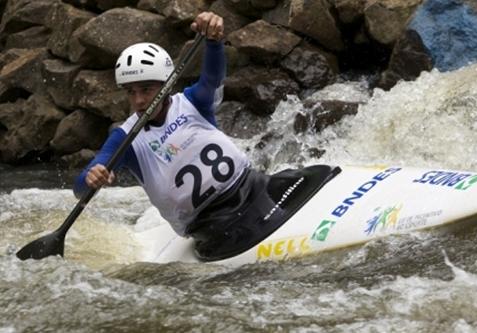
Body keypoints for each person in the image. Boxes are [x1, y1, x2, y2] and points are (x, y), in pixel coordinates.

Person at [74, 12, 339, 261]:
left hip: (255, 186)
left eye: (146, 89)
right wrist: (91, 177)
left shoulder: (193, 102)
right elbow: (81, 185)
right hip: (212, 223)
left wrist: (214, 41)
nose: (139, 100)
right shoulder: (125, 139)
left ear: (166, 86)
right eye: (131, 92)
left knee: (323, 174)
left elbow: (212, 77)